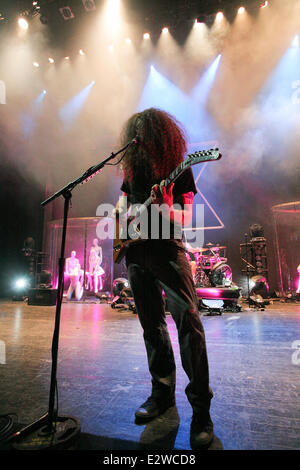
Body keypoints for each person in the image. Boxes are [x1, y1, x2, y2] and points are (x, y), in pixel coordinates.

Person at [115, 108, 214, 449]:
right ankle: (162, 396)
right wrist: (122, 222)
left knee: (188, 322)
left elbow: (184, 216)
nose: (139, 137)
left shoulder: (181, 168)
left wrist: (165, 206)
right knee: (151, 326)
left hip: (168, 252)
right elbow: (121, 204)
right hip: (136, 254)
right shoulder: (133, 168)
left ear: (162, 135)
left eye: (145, 132)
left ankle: (202, 411)